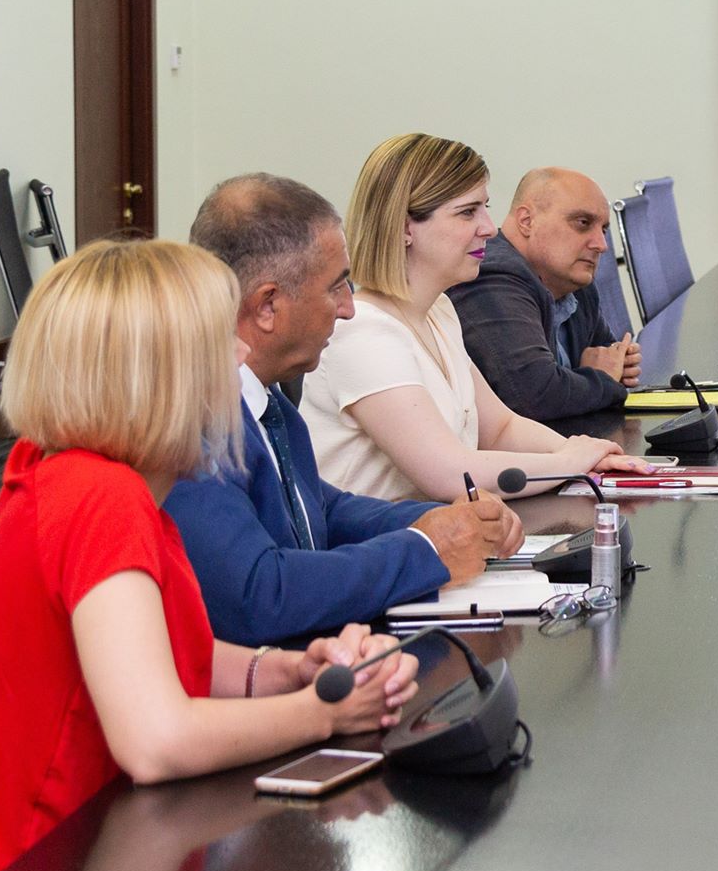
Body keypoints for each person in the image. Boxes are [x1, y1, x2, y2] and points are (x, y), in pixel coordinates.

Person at [0, 240, 415, 871]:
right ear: (162, 377)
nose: (239, 357)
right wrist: (327, 714)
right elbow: (155, 741)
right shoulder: (100, 499)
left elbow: (157, 651)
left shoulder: (82, 475)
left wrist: (286, 672)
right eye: (219, 344)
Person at [166, 174, 526, 644]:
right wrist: (427, 549)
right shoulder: (191, 423)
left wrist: (442, 522)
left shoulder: (265, 399)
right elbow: (259, 595)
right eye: (335, 288)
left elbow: (323, 508)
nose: (348, 308)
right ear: (267, 306)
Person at [302, 133, 651, 502]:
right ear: (405, 227)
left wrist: (586, 454)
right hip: (385, 538)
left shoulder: (438, 311)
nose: (489, 227)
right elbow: (450, 475)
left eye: (484, 208)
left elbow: (500, 428)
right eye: (468, 212)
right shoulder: (363, 334)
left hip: (439, 528)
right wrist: (569, 463)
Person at [447, 167, 640, 421]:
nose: (601, 245)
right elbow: (534, 396)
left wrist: (613, 366)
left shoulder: (573, 281)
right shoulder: (491, 276)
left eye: (603, 230)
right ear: (527, 221)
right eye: (583, 223)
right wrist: (602, 379)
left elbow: (608, 355)